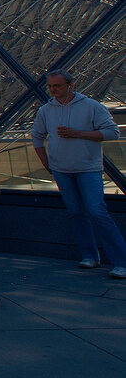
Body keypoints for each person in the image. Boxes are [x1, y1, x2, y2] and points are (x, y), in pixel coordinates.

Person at [31, 70, 126, 278]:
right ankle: (89, 256)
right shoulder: (46, 110)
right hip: (61, 170)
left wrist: (78, 134)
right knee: (75, 213)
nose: (53, 90)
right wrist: (47, 164)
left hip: (88, 169)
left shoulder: (91, 106)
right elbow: (36, 136)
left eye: (57, 86)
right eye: (50, 86)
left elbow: (113, 132)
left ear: (70, 85)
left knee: (97, 212)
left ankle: (121, 261)